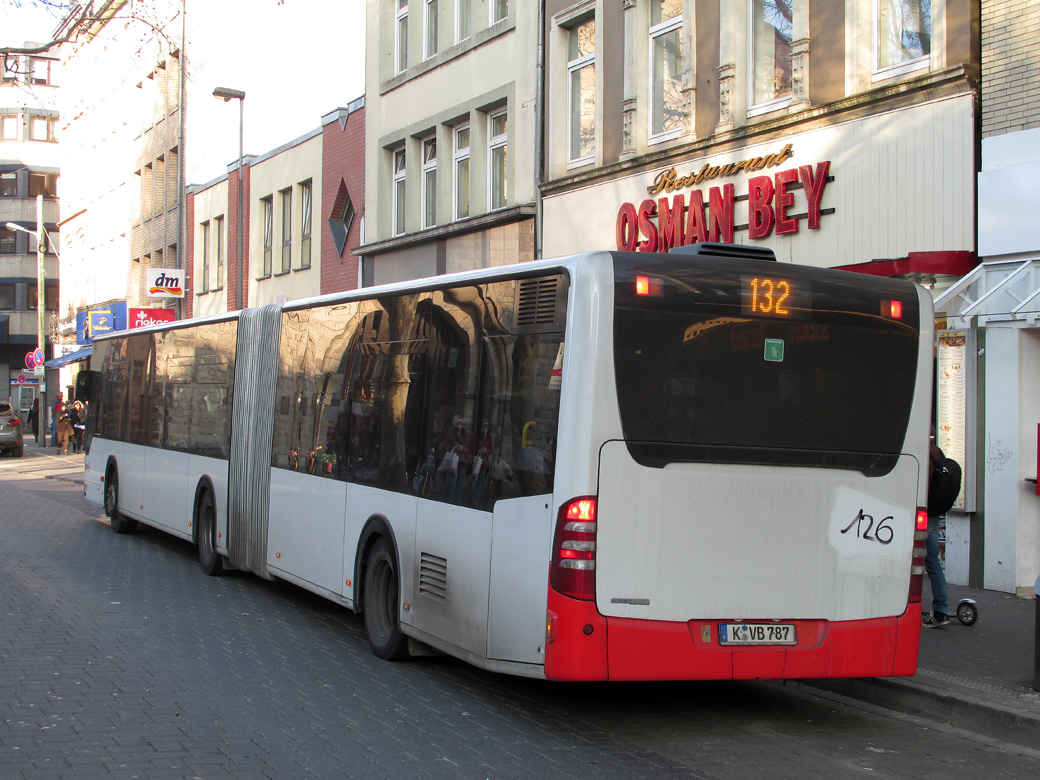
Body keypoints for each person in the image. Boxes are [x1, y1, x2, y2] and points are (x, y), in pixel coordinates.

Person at [923, 442, 950, 628]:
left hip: (922, 514)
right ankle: (941, 610)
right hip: (933, 514)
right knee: (933, 564)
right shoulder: (937, 452)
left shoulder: (923, 451)